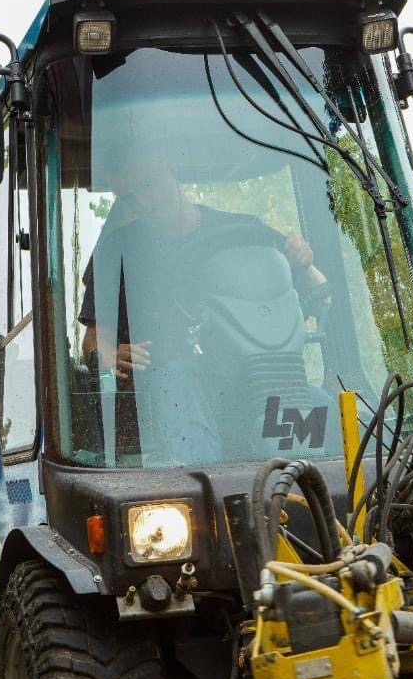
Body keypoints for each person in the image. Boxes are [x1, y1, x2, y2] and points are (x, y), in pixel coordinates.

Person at [79, 155, 326, 462]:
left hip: (258, 378)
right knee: (175, 377)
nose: (144, 201)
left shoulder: (245, 231)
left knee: (334, 414)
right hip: (171, 390)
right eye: (129, 196)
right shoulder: (117, 250)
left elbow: (321, 297)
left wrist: (304, 264)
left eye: (147, 184)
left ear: (170, 165)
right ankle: (204, 485)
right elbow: (92, 341)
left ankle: (320, 484)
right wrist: (109, 355)